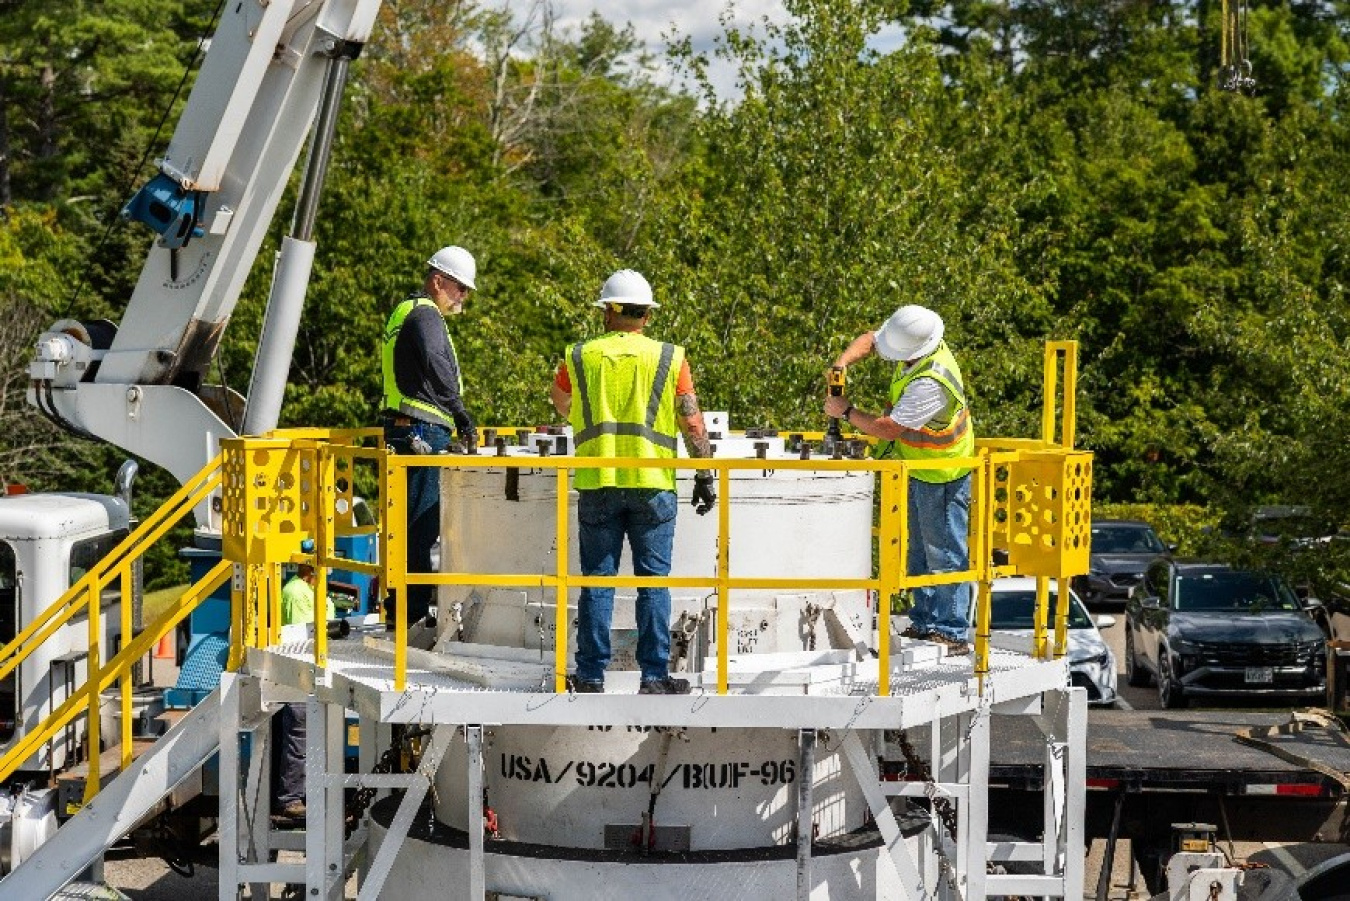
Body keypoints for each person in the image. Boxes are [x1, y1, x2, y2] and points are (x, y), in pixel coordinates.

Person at [550, 269, 716, 695]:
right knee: (653, 584)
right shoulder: (670, 358)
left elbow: (561, 401)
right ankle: (654, 676)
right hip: (653, 483)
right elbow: (692, 420)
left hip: (598, 480)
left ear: (608, 311)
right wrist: (704, 473)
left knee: (597, 582)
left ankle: (589, 676)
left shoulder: (579, 356)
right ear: (646, 315)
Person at [823, 305, 976, 656]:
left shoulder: (929, 383)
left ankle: (951, 631)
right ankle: (924, 622)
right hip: (918, 467)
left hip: (943, 472)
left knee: (945, 553)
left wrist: (845, 411)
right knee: (920, 550)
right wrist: (841, 364)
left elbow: (886, 428)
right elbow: (869, 340)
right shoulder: (918, 343)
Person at [380, 245, 479, 627]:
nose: (463, 297)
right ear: (438, 281)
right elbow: (437, 365)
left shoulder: (407, 310)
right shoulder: (425, 314)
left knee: (405, 529)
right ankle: (412, 616)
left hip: (406, 430)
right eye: (460, 288)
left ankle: (401, 610)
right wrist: (460, 413)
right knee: (420, 528)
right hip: (421, 431)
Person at [273, 563, 327, 822]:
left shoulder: (310, 589)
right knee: (298, 733)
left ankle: (300, 795)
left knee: (305, 738)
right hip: (301, 675)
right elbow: (301, 638)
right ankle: (290, 799)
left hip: (311, 674)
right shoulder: (297, 592)